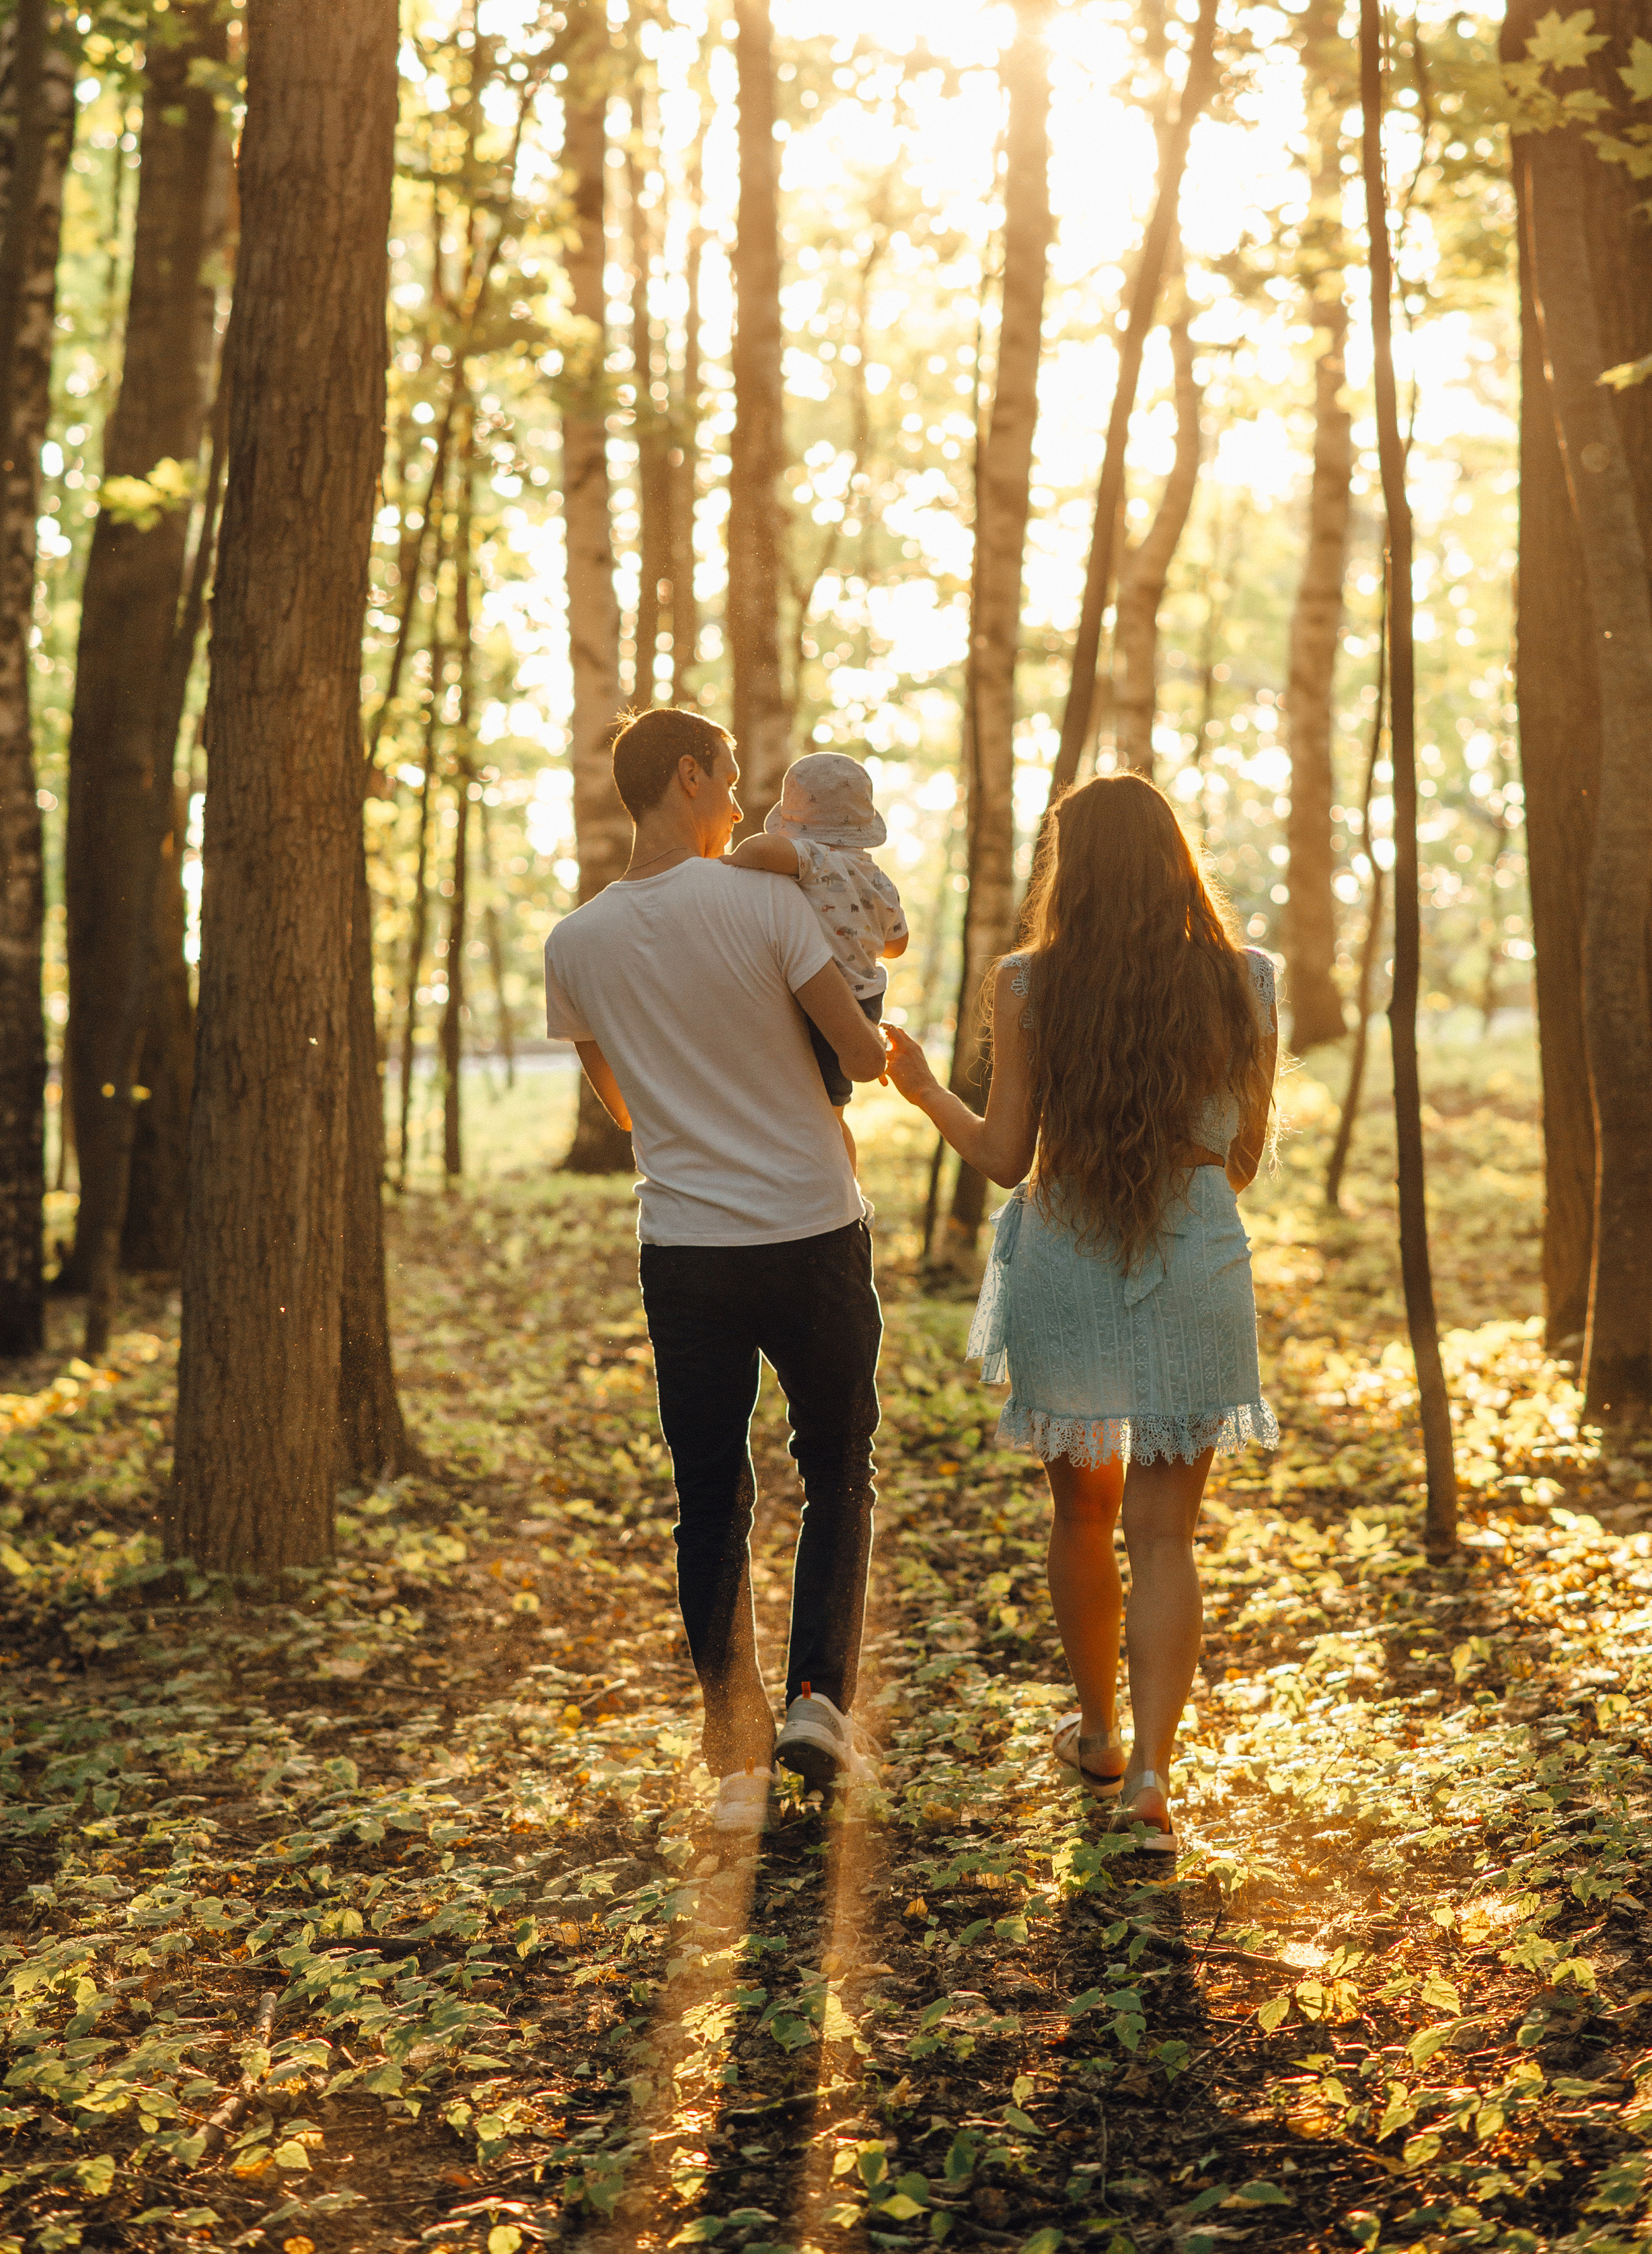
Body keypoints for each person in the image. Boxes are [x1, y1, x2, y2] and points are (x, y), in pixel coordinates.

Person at [883, 772, 1278, 1853]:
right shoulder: (1248, 979)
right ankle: (1154, 1768)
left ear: (1075, 865)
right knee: (1164, 1532)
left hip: (1064, 1254)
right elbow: (1239, 1160)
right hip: (1194, 1256)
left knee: (1084, 1518)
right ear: (1176, 854)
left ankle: (1099, 1733)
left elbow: (1008, 1156)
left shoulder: (1026, 983)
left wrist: (922, 1086)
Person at [542, 707, 891, 1833]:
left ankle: (736, 1760)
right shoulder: (768, 900)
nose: (741, 802)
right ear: (687, 775)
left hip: (685, 1247)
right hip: (807, 1225)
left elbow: (623, 1105)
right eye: (732, 779)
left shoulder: (575, 941)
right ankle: (814, 1704)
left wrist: (699, 1123)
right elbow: (861, 1049)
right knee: (836, 1464)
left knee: (710, 1498)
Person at [720, 752, 909, 1176]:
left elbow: (761, 849)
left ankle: (829, 1185)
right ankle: (850, 1192)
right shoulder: (878, 878)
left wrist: (730, 862)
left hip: (820, 997)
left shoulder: (812, 858)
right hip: (866, 1002)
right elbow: (898, 944)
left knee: (805, 1107)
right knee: (834, 1114)